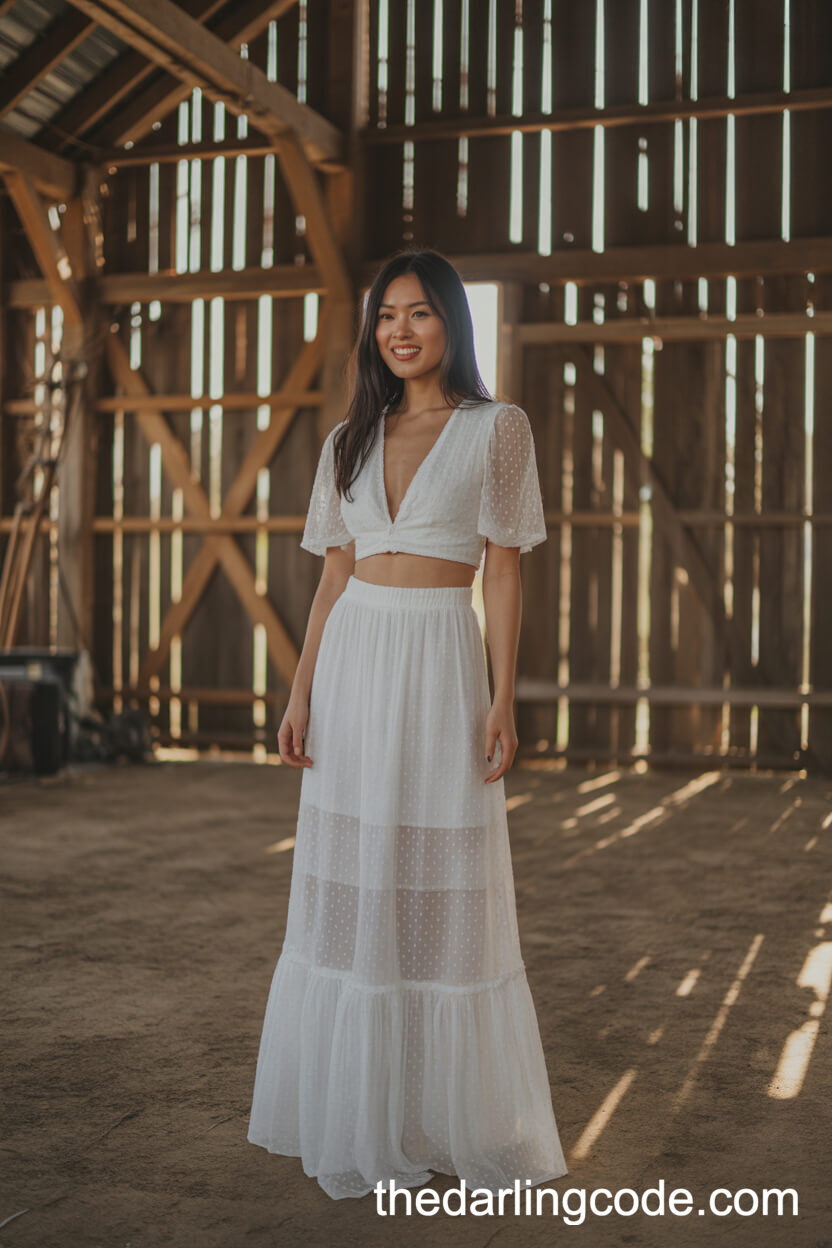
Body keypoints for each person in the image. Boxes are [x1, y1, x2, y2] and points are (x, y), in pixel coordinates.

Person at [247, 248, 568, 1200]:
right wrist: (300, 693)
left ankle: (437, 1122)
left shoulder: (495, 429)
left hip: (437, 661)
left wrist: (502, 697)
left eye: (419, 313)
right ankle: (358, 1116)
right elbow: (332, 575)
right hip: (351, 663)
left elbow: (504, 570)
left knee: (438, 881)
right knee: (351, 882)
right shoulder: (348, 438)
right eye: (386, 315)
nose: (400, 331)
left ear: (451, 326)